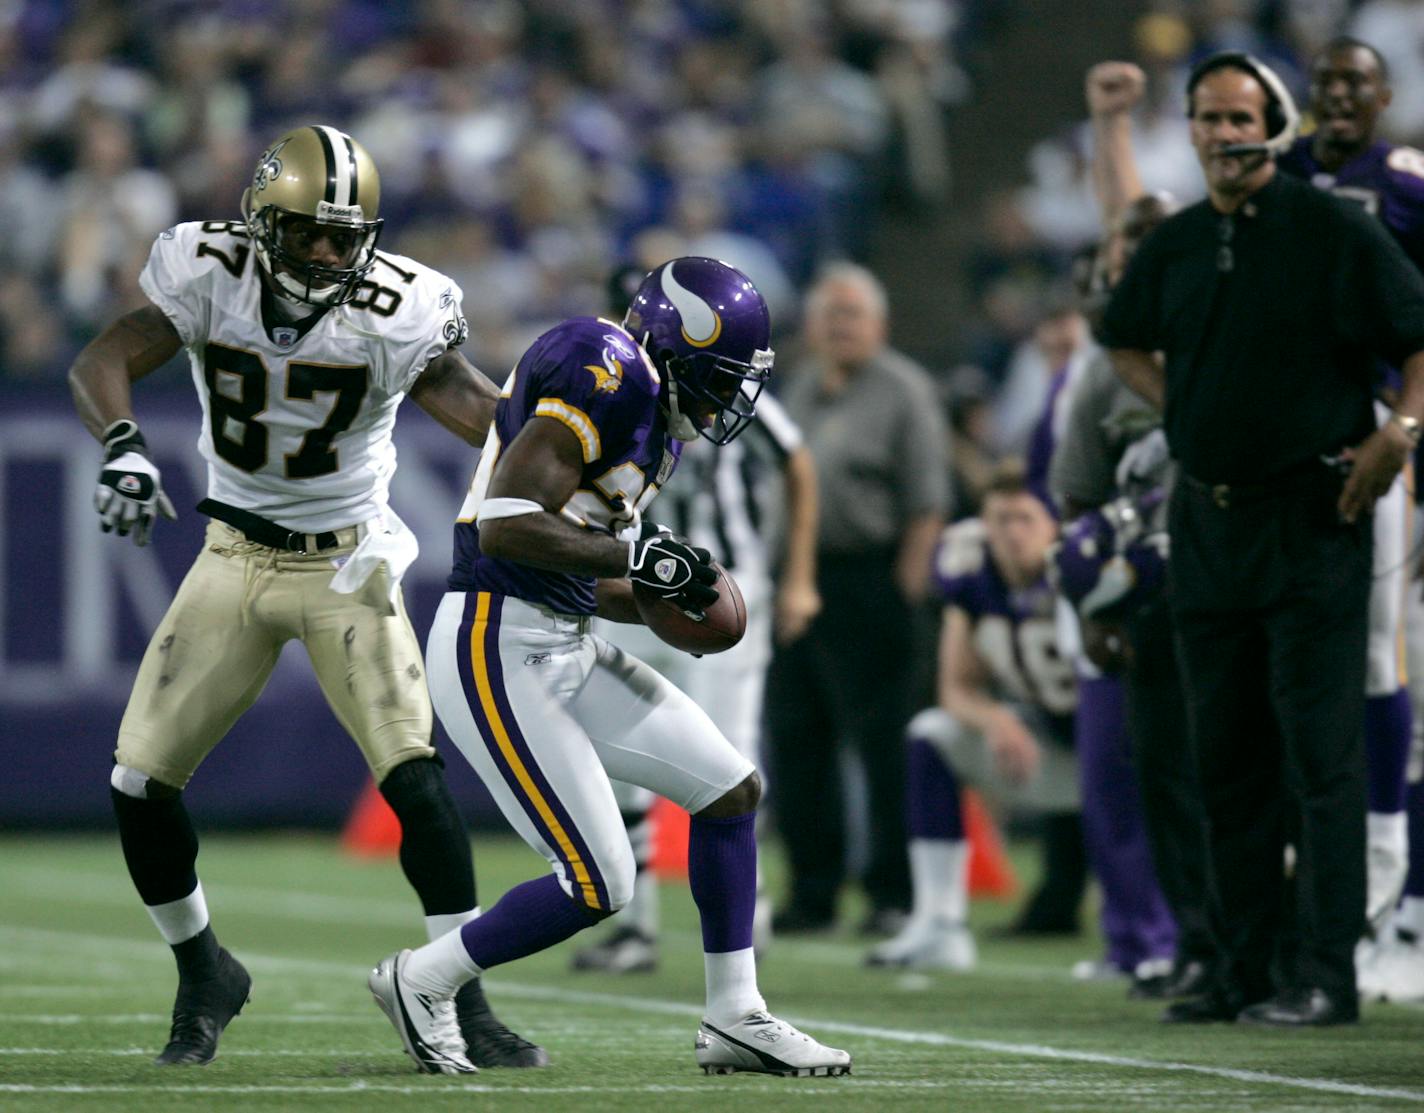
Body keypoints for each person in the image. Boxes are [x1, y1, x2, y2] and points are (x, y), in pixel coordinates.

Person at [66, 125, 544, 1068]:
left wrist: (560, 437)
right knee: (137, 782)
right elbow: (103, 359)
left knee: (416, 775)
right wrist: (121, 440)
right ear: (259, 218)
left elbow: (475, 406)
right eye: (308, 233)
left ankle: (460, 993)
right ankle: (204, 967)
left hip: (347, 563)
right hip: (234, 551)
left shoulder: (404, 305)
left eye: (344, 234)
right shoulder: (206, 268)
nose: (327, 253)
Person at [365, 257, 851, 1077]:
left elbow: (587, 569)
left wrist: (667, 595)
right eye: (721, 376)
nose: (728, 397)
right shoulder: (606, 364)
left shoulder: (651, 409)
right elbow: (507, 525)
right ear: (677, 344)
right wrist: (646, 553)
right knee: (599, 879)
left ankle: (736, 1013)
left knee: (730, 788)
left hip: (561, 634)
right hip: (495, 639)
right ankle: (421, 978)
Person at [1101, 52, 1424, 1025]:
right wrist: (1187, 414)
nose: (1225, 133)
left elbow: (1417, 339)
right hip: (1206, 519)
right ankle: (1238, 968)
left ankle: (1323, 974)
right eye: (1208, 116)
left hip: (1311, 514)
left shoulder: (1330, 227)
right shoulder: (1180, 240)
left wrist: (1396, 433)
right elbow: (1121, 335)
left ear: (1271, 127)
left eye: (1242, 117)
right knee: (1224, 755)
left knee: (1317, 756)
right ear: (1191, 129)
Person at [572, 265, 822, 973]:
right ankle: (636, 923)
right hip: (631, 586)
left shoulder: (720, 380)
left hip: (716, 586)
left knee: (731, 754)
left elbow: (796, 459)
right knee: (617, 762)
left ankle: (751, 912)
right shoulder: (602, 388)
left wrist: (797, 575)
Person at [1276, 34, 1424, 973]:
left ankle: (1389, 878)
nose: (1337, 97)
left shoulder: (1407, 183)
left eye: (1354, 84)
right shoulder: (1275, 171)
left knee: (1380, 645)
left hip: (1381, 427)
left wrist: (1404, 428)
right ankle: (1315, 879)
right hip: (1279, 432)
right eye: (1325, 83)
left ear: (1384, 97)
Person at [766, 262, 952, 936]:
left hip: (871, 578)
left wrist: (906, 593)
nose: (840, 326)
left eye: (853, 315)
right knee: (798, 741)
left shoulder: (904, 389)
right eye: (829, 314)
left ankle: (892, 894)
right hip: (799, 583)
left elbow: (928, 502)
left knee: (883, 744)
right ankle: (813, 891)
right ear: (811, 326)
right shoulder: (802, 387)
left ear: (880, 324)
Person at [866, 460, 1078, 971]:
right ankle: (940, 924)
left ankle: (1160, 938)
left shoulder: (1078, 564)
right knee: (931, 734)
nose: (1010, 533)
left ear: (1054, 523)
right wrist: (997, 720)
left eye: (1024, 518)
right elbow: (955, 688)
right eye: (999, 519)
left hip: (1120, 755)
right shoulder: (971, 567)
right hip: (1046, 745)